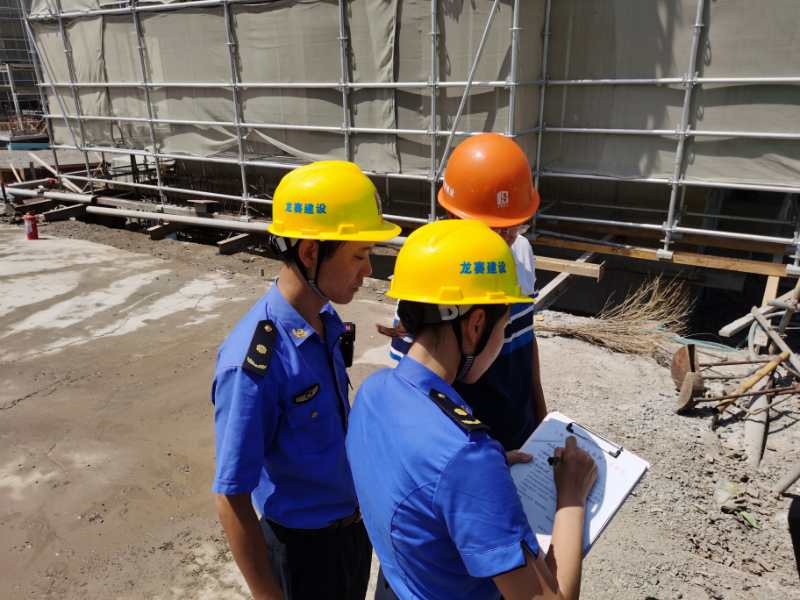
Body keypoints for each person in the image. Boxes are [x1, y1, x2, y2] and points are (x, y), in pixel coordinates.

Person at [347, 219, 597, 600]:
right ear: (476, 325)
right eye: (504, 327)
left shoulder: (371, 394)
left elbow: (418, 491)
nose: (503, 339)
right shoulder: (467, 456)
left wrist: (483, 473)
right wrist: (572, 496)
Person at [212, 161, 401, 600]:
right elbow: (231, 496)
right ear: (311, 252)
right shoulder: (254, 363)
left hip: (351, 534)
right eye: (359, 256)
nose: (368, 271)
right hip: (303, 555)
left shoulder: (324, 319)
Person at [380, 132, 545, 452]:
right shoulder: (431, 274)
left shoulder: (521, 251)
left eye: (515, 224)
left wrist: (541, 418)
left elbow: (527, 338)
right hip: (467, 450)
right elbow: (413, 389)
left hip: (521, 438)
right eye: (495, 228)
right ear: (454, 216)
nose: (508, 237)